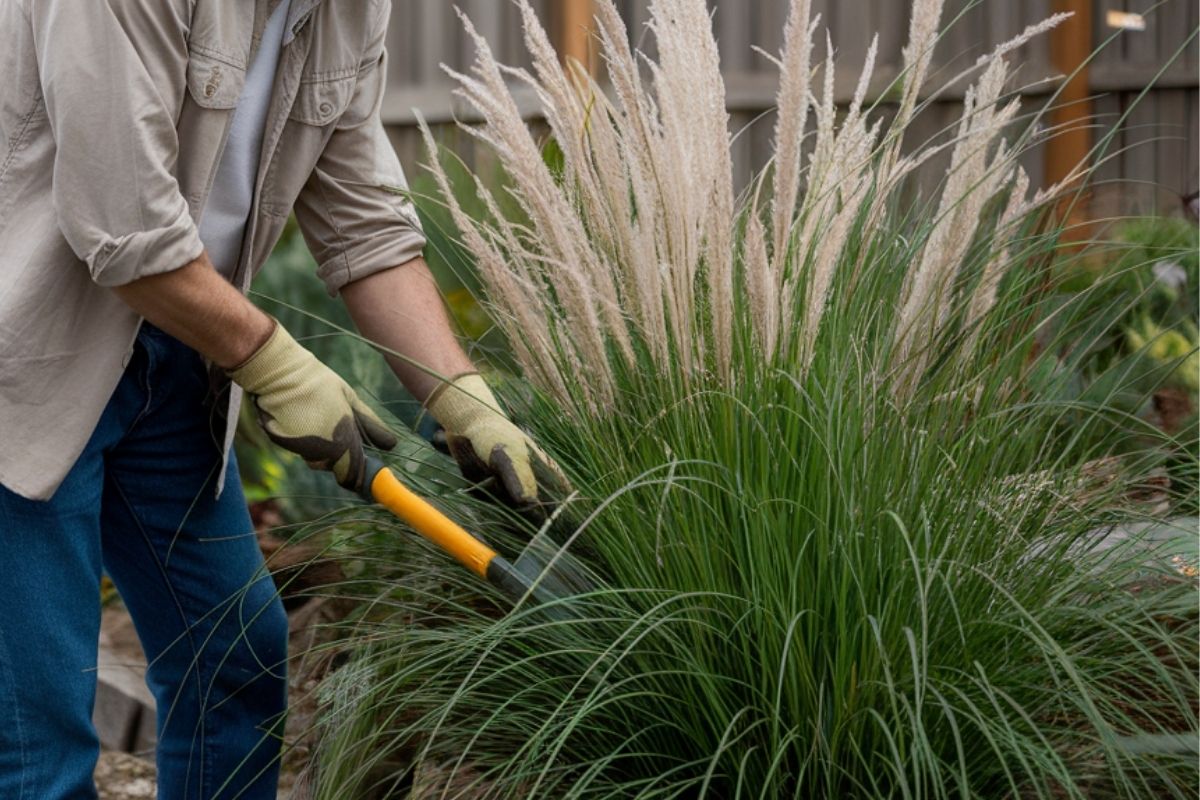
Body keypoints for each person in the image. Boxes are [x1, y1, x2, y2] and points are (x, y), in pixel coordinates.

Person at [0, 0, 562, 796]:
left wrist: (464, 401)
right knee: (36, 745)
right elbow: (125, 230)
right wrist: (280, 367)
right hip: (26, 360)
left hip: (176, 352)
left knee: (234, 662)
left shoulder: (346, 11)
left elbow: (363, 225)